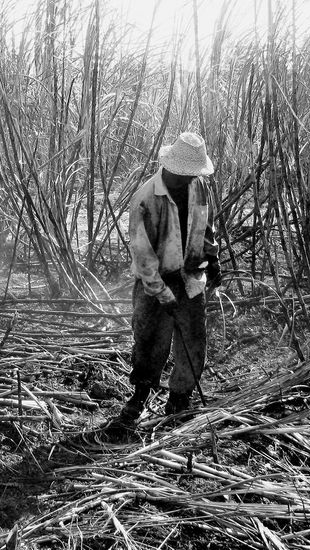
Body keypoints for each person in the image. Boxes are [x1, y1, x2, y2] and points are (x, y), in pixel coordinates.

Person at [118, 132, 221, 426]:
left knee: (193, 341)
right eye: (185, 175)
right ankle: (140, 396)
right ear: (171, 167)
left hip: (190, 277)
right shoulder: (146, 198)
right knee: (150, 342)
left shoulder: (199, 186)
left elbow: (207, 226)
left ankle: (179, 399)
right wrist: (162, 294)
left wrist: (212, 259)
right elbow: (143, 255)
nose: (190, 179)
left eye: (193, 175)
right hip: (154, 283)